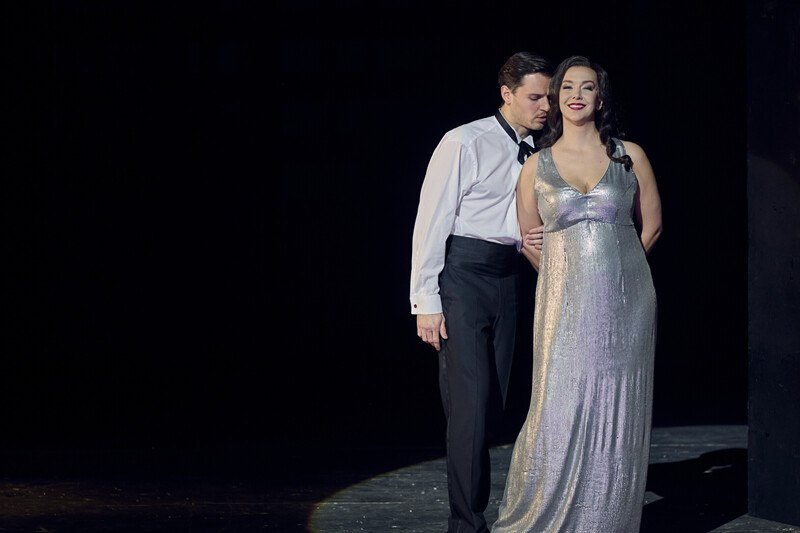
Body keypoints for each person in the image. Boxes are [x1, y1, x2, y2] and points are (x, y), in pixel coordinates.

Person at [492, 55, 662, 532]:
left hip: (628, 306)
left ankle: (607, 521)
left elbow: (650, 226)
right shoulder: (536, 167)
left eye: (587, 88)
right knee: (558, 406)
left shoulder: (629, 155)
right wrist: (570, 278)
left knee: (616, 409)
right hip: (563, 306)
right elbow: (529, 238)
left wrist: (619, 278)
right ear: (555, 97)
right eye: (567, 87)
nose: (576, 95)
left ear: (600, 98)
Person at [409, 51, 554, 533]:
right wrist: (425, 301)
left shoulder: (540, 152)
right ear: (506, 93)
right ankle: (466, 523)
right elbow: (432, 220)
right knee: (469, 404)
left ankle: (485, 508)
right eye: (535, 97)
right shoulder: (464, 140)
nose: (545, 107)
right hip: (464, 275)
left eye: (549, 98)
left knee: (497, 402)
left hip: (510, 276)